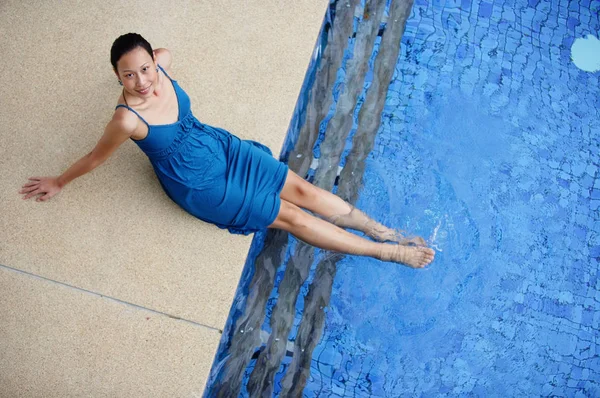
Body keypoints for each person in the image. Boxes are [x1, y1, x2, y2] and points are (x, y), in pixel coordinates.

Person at [19, 33, 435, 268]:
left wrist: (156, 61)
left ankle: (379, 228)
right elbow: (95, 158)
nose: (143, 80)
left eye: (145, 68)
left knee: (302, 190)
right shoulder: (127, 119)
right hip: (199, 183)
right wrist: (59, 180)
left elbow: (165, 51)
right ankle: (386, 250)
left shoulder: (160, 66)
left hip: (220, 147)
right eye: (129, 75)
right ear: (117, 77)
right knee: (290, 214)